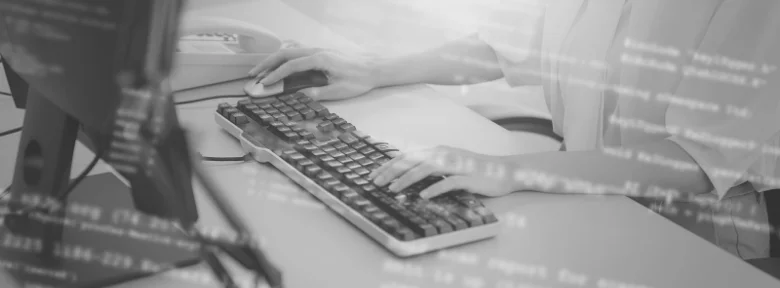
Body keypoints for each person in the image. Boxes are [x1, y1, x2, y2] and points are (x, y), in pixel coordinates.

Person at [250, 0, 780, 259]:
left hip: (689, 230)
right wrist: (377, 68)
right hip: (577, 195)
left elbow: (698, 158)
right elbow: (507, 46)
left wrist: (509, 169)